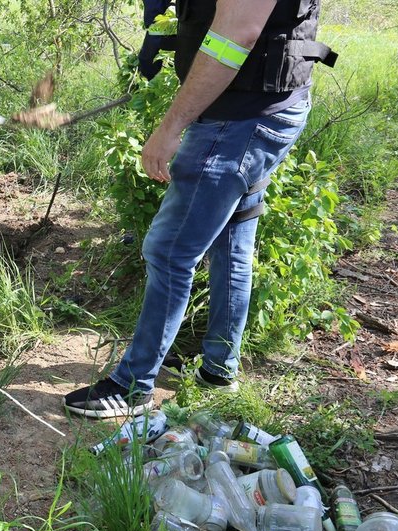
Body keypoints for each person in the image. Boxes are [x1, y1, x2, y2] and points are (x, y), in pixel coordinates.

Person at [64, 0, 336, 417]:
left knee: (170, 251)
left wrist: (170, 127)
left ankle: (133, 386)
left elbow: (238, 33)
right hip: (262, 107)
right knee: (232, 238)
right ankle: (218, 370)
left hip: (240, 121)